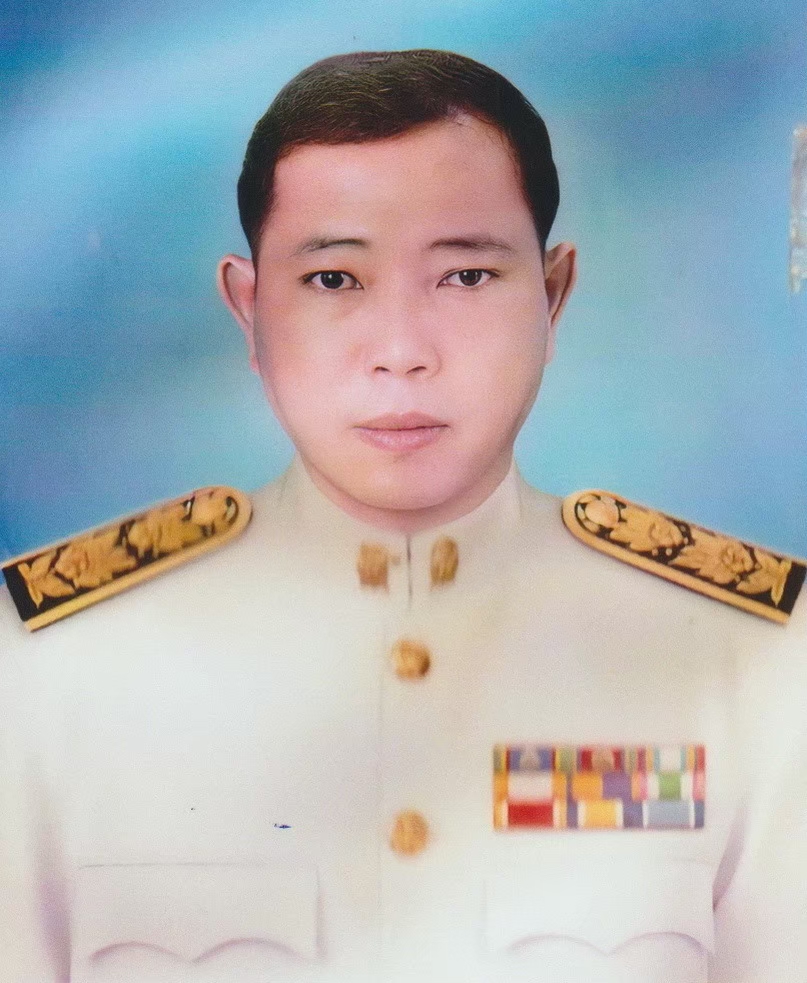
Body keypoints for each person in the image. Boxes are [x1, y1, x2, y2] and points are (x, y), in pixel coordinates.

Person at [1, 49, 805, 983]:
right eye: (333, 280)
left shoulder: (747, 659)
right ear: (248, 309)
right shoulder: (49, 663)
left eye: (465, 276)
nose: (400, 351)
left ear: (552, 295)